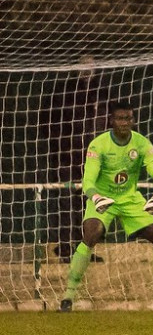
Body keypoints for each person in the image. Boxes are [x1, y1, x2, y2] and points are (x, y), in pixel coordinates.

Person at [58, 100, 153, 312]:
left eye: (128, 118)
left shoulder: (142, 144)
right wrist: (94, 197)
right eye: (120, 118)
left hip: (130, 199)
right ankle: (68, 297)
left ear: (133, 120)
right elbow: (88, 181)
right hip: (102, 198)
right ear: (111, 120)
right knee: (92, 234)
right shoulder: (98, 144)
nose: (124, 123)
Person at [46, 54, 106, 263]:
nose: (88, 69)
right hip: (67, 158)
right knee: (66, 201)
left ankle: (85, 248)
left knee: (89, 204)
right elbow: (52, 126)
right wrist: (60, 152)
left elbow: (101, 125)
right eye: (83, 64)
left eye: (91, 64)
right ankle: (64, 247)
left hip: (91, 160)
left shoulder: (101, 93)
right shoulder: (66, 93)